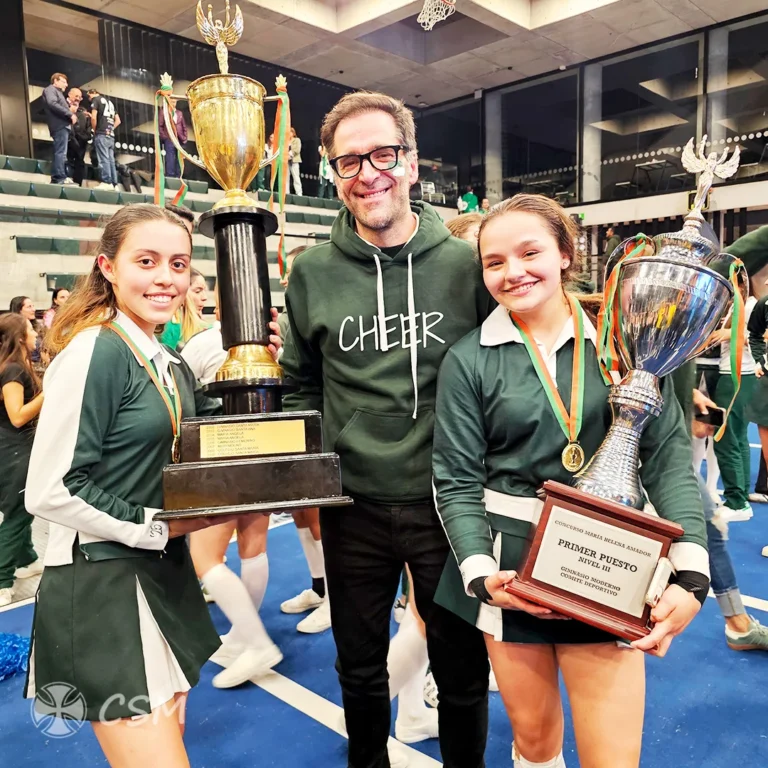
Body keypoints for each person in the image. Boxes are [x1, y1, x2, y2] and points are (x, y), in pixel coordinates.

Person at [432, 195, 709, 768]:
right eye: (494, 261)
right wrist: (482, 577)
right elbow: (456, 480)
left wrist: (693, 574)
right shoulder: (469, 359)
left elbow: (666, 463)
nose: (513, 272)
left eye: (530, 252)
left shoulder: (631, 346)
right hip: (514, 576)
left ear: (565, 254)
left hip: (611, 570)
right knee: (534, 746)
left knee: (612, 758)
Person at [281, 90, 494, 768]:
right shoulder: (311, 273)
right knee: (359, 669)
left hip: (449, 504)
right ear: (333, 172)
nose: (367, 172)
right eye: (349, 161)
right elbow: (300, 383)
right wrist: (308, 478)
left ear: (411, 163)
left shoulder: (468, 265)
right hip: (356, 505)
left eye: (382, 154)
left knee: (461, 671)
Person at [24, 204, 235, 767]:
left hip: (156, 575)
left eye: (178, 263)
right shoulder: (96, 350)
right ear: (108, 267)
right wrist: (155, 527)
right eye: (146, 261)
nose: (165, 277)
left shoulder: (164, 357)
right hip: (106, 587)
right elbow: (50, 489)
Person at [181, 304, 285, 689]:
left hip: (222, 451)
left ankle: (256, 641)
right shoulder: (273, 346)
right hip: (267, 446)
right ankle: (246, 635)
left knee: (204, 556)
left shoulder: (204, 342)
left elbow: (180, 389)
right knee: (253, 547)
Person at [0, 314, 44, 607]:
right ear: (20, 338)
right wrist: (51, 392)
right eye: (30, 329)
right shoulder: (13, 370)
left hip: (14, 449)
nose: (35, 334)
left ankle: (26, 557)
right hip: (15, 450)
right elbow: (17, 416)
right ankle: (2, 579)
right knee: (18, 513)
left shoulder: (16, 367)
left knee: (22, 505)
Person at [710, 280, 757, 523]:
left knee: (726, 438)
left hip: (737, 376)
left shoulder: (750, 306)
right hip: (737, 375)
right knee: (738, 439)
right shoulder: (739, 307)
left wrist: (734, 333)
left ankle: (737, 502)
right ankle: (742, 496)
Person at [160, 268, 209, 350]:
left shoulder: (206, 328)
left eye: (204, 291)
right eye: (197, 291)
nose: (204, 297)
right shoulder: (168, 326)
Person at [42, 73, 76, 185]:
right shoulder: (50, 90)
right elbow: (52, 103)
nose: (66, 84)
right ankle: (59, 177)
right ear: (55, 81)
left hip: (63, 126)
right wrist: (69, 114)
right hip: (59, 125)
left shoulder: (58, 93)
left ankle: (59, 176)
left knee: (62, 153)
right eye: (64, 81)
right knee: (60, 152)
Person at [88, 87, 121, 190]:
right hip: (110, 135)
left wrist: (95, 129)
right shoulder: (110, 102)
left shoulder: (96, 100)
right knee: (111, 160)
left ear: (93, 93)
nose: (89, 99)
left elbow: (94, 117)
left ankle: (106, 181)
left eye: (89, 96)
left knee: (103, 159)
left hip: (101, 133)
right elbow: (118, 120)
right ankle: (114, 184)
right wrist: (110, 129)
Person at [66, 87, 91, 186]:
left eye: (80, 97)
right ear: (69, 95)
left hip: (81, 143)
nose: (78, 98)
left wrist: (83, 137)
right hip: (69, 140)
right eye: (76, 96)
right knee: (67, 160)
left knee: (80, 163)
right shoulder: (64, 107)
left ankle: (78, 184)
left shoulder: (85, 113)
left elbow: (88, 129)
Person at [159, 98, 188, 178]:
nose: (173, 103)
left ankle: (179, 176)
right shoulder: (164, 111)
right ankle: (170, 175)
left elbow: (184, 126)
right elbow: (160, 125)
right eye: (171, 101)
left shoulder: (179, 113)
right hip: (169, 138)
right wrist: (164, 137)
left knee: (179, 158)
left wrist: (185, 137)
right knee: (170, 157)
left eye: (174, 102)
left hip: (179, 139)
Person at [10, 296, 42, 366]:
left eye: (33, 306)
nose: (34, 309)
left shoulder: (38, 326)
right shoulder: (14, 330)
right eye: (29, 307)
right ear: (19, 310)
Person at [289, 127, 303, 196]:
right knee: (286, 177)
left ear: (293, 133)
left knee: (296, 177)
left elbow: (297, 150)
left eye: (290, 132)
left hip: (294, 160)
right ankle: (286, 192)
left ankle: (299, 192)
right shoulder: (286, 141)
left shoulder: (297, 140)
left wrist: (290, 154)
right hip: (286, 161)